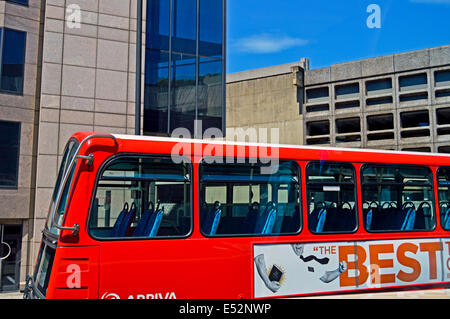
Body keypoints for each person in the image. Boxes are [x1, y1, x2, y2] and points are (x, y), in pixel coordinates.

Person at [254, 243, 347, 293]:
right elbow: (259, 259)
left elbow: (326, 277)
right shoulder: (281, 249)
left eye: (300, 243)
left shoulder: (311, 260)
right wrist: (268, 284)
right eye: (295, 243)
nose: (298, 246)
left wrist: (339, 271)